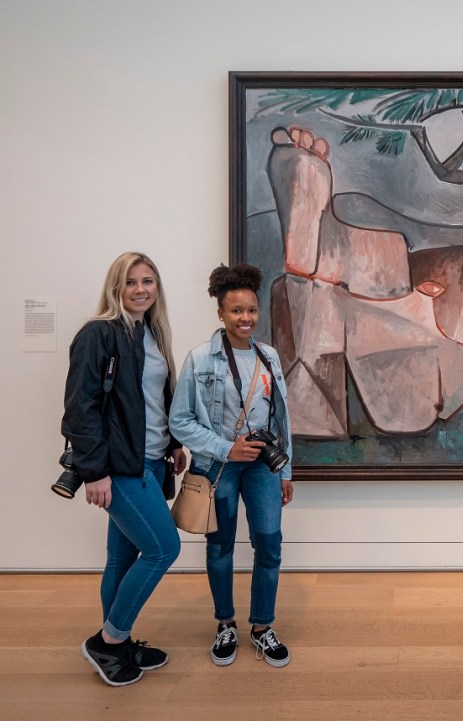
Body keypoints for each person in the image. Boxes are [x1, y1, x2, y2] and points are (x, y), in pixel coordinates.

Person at [62, 252, 185, 687]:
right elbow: (80, 409)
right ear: (116, 287)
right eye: (130, 281)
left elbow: (155, 400)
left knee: (122, 556)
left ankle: (120, 643)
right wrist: (94, 471)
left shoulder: (152, 333)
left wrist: (173, 444)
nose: (140, 289)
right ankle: (108, 641)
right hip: (119, 467)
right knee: (163, 549)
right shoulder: (98, 333)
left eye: (148, 281)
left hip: (151, 459)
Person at [169, 263, 294, 668]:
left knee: (269, 543)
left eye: (251, 310)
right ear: (221, 313)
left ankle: (261, 626)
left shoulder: (268, 356)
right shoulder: (199, 358)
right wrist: (227, 448)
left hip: (262, 466)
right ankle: (225, 623)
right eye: (236, 310)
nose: (246, 318)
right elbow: (179, 421)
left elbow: (282, 419)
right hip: (218, 466)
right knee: (220, 545)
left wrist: (285, 471)